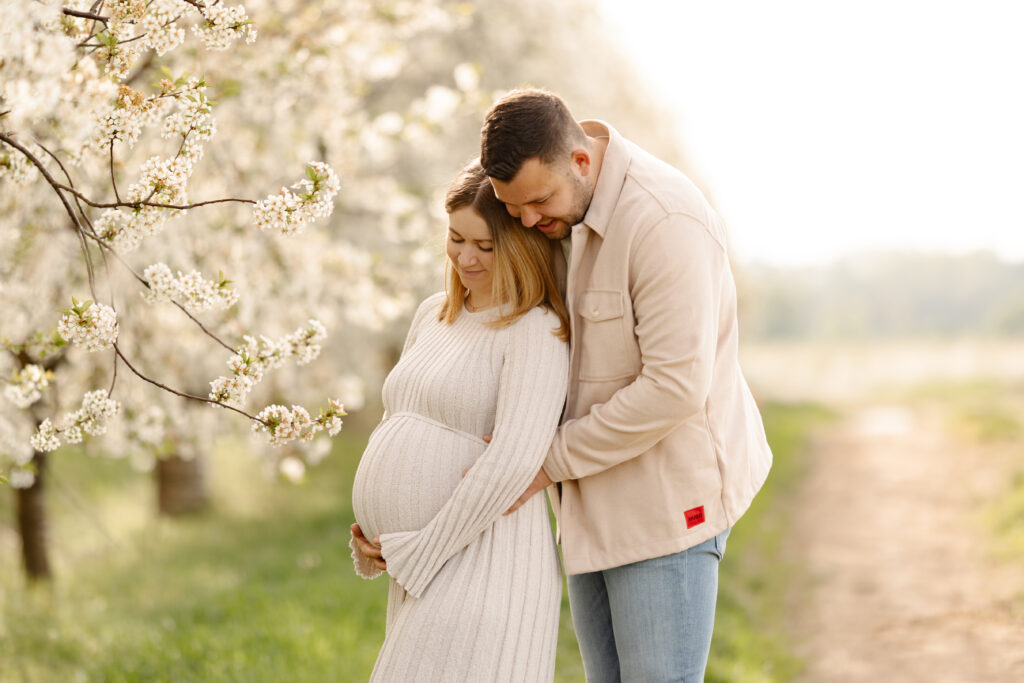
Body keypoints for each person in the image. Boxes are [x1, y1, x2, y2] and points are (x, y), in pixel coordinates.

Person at [480, 88, 774, 682]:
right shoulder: (562, 205)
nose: (530, 222)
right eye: (515, 211)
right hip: (592, 507)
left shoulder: (664, 220)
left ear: (582, 161)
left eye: (538, 201)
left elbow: (674, 386)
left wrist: (545, 461)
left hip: (668, 509)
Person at [348, 160, 570, 681]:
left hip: (485, 561)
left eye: (485, 246)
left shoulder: (535, 329)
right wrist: (373, 538)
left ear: (519, 245)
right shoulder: (433, 313)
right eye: (455, 239)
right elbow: (397, 419)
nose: (465, 257)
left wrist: (421, 551)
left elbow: (513, 461)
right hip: (417, 564)